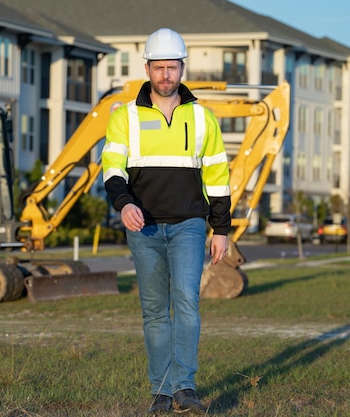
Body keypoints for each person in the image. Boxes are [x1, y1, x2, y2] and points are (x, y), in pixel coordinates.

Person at [101, 28, 231, 415]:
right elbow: (111, 169)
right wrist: (123, 204)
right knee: (155, 310)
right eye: (158, 67)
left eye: (171, 67)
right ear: (147, 68)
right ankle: (160, 391)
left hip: (189, 224)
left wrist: (220, 229)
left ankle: (184, 389)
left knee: (187, 302)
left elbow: (218, 176)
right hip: (145, 227)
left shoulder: (203, 118)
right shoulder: (124, 117)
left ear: (181, 68)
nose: (165, 75)